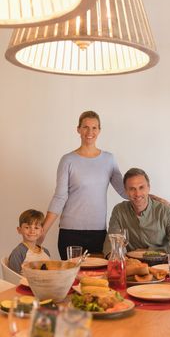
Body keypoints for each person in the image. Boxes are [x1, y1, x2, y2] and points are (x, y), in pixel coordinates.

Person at [39, 111, 126, 259]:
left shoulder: (109, 159)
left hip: (98, 233)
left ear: (99, 130)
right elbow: (60, 197)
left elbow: (125, 191)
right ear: (78, 129)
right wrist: (43, 231)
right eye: (85, 127)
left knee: (97, 279)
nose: (90, 132)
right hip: (70, 232)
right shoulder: (67, 160)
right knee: (72, 279)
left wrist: (152, 199)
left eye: (94, 127)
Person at [103, 168, 170, 258]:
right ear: (126, 191)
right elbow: (112, 244)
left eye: (141, 187)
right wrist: (119, 258)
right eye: (132, 189)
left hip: (163, 265)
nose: (137, 194)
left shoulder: (166, 211)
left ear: (149, 188)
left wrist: (149, 252)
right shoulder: (119, 211)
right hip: (134, 266)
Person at [8, 209, 50, 274]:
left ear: (41, 231)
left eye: (36, 228)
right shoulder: (18, 253)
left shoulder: (46, 252)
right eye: (27, 227)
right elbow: (13, 277)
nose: (32, 231)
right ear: (19, 230)